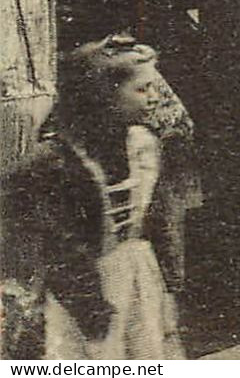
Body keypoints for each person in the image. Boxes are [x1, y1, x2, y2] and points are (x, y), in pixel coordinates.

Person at [1, 37, 186, 360]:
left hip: (141, 278)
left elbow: (158, 219)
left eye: (154, 87)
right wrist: (88, 305)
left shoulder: (143, 145)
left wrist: (171, 285)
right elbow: (50, 237)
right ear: (104, 96)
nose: (154, 98)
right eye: (142, 90)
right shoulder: (59, 159)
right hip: (88, 290)